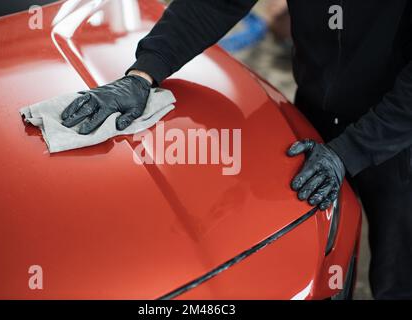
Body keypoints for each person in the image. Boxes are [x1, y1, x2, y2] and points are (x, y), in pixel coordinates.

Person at [60, 0, 412, 299]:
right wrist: (144, 73)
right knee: (317, 246)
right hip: (316, 113)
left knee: (397, 273)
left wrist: (351, 150)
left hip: (398, 139)